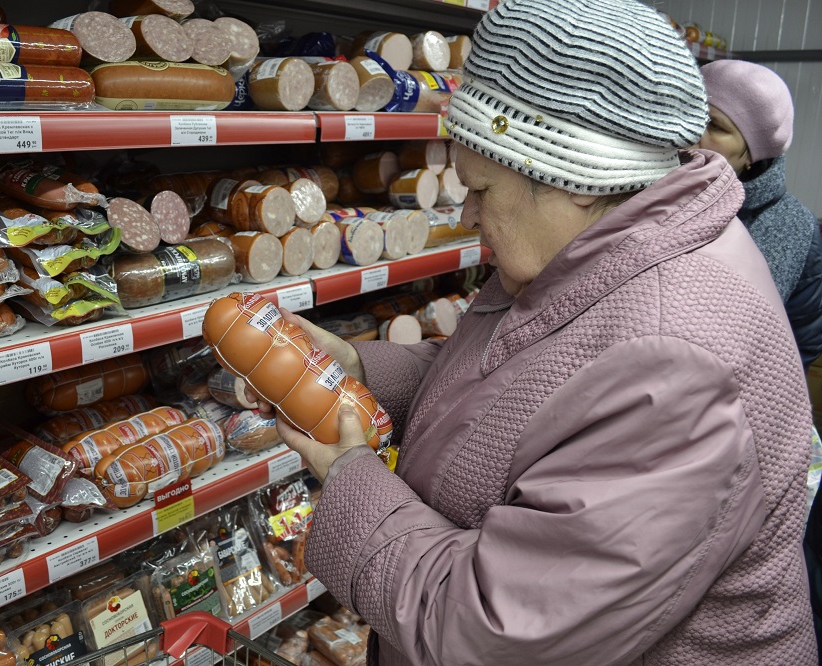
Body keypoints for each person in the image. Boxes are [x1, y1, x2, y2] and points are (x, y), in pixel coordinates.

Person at [249, 0, 817, 663]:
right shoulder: (599, 248)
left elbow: (494, 632)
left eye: (483, 190)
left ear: (579, 178)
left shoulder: (676, 363)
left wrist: (351, 482)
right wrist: (358, 368)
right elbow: (516, 378)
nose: (467, 214)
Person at [698, 59, 822, 370]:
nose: (693, 133)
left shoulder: (793, 228)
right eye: (691, 116)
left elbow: (802, 337)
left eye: (715, 126)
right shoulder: (638, 193)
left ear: (753, 154)